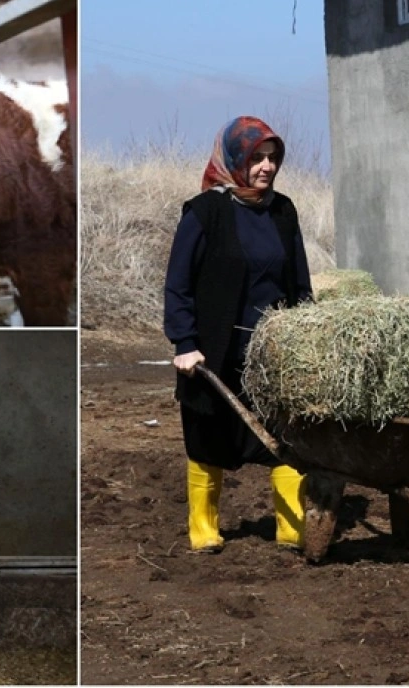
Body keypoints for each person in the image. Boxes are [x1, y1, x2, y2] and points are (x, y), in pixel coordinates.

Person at [163, 116, 314, 554]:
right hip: (213, 349)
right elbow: (179, 283)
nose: (266, 167)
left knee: (285, 439)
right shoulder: (205, 212)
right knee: (207, 437)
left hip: (272, 350)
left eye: (272, 158)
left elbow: (299, 281)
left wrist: (307, 333)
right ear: (235, 159)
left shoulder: (283, 211)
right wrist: (184, 343)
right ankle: (203, 528)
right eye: (256, 158)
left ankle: (292, 527)